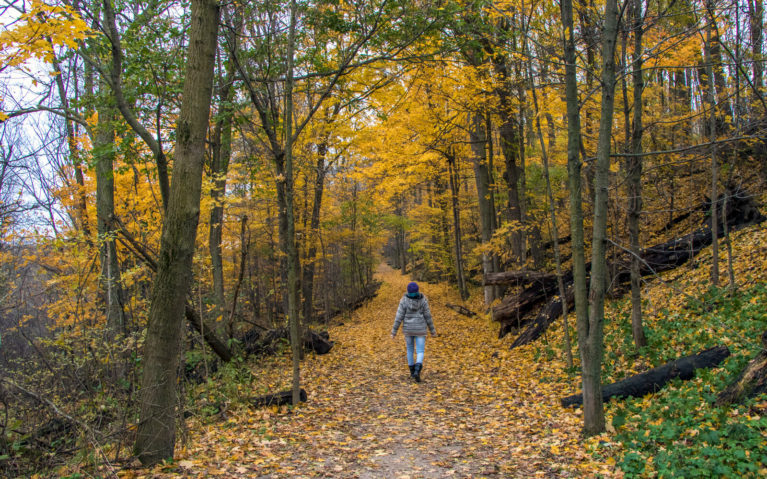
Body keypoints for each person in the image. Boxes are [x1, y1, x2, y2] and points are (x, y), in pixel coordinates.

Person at [391, 281, 437, 382]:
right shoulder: (423, 301)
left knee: (410, 350)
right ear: (417, 291)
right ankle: (417, 369)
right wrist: (432, 330)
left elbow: (399, 317)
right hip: (420, 329)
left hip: (408, 329)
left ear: (408, 291)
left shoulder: (403, 301)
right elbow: (428, 316)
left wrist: (394, 331)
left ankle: (412, 372)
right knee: (420, 350)